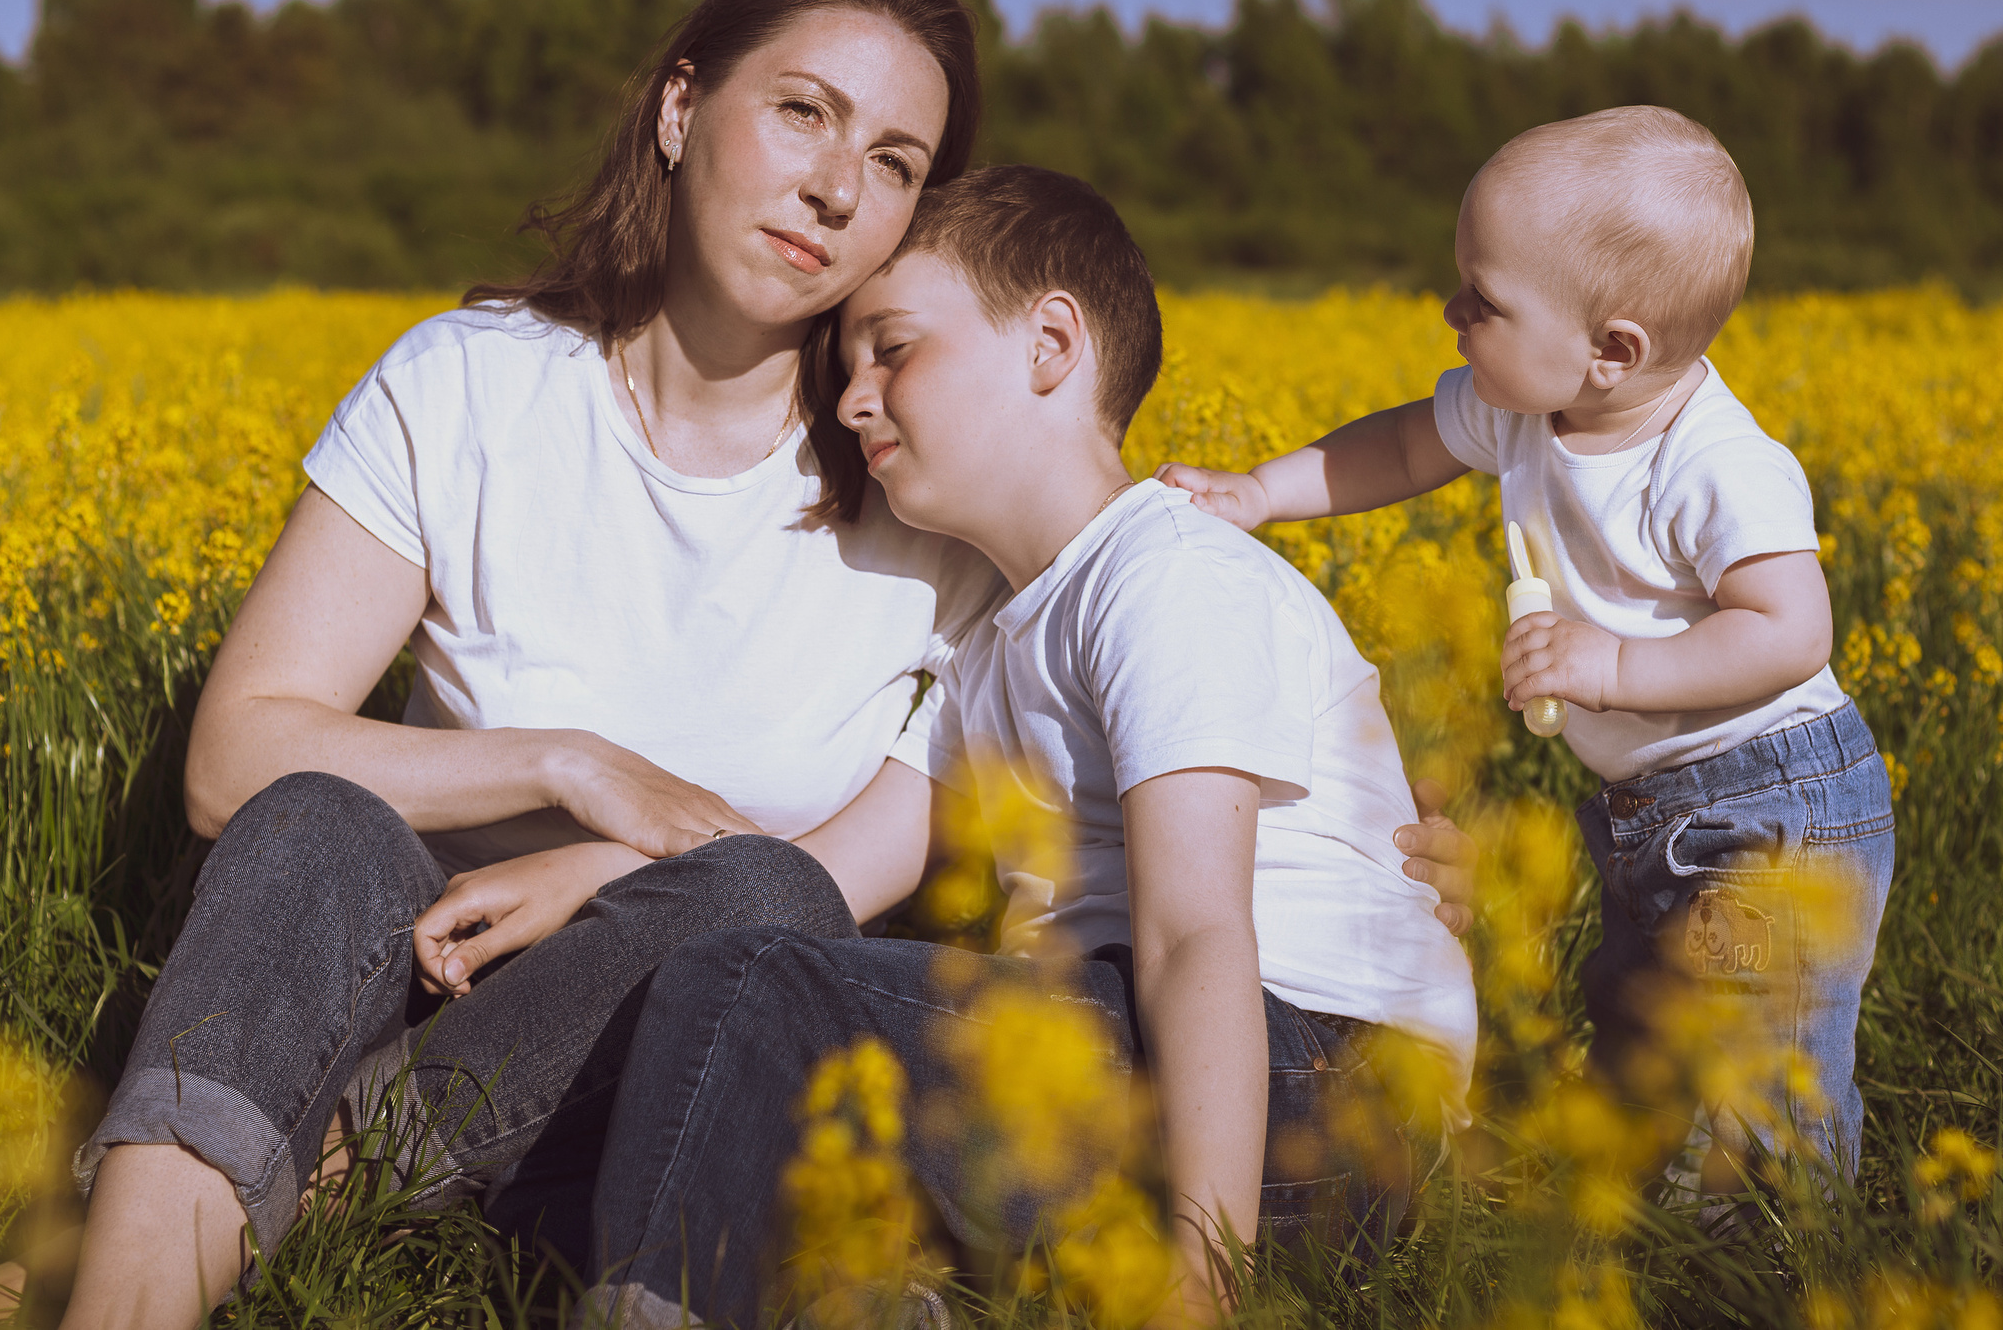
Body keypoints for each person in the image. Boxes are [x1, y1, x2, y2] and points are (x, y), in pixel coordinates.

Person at [0, 0, 1482, 1330]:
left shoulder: (933, 496)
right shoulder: (468, 384)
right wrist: (573, 769)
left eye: (893, 157)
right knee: (316, 817)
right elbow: (231, 759)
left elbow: (960, 827)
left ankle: (217, 1215)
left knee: (752, 890)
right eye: (801, 109)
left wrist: (1377, 849)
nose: (834, 183)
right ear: (680, 111)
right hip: (408, 982)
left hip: (631, 1066)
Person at [578, 166, 1477, 1330]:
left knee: (749, 988)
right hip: (1154, 1068)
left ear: (1051, 343)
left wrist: (1205, 1280)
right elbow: (814, 877)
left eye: (890, 350)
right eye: (847, 368)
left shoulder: (1167, 575)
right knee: (754, 1024)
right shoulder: (992, 650)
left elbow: (1196, 931)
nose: (852, 403)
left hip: (1311, 1085)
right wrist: (583, 872)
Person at [1159, 106, 1891, 1205]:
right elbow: (1402, 443)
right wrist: (1260, 492)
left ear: (1613, 349)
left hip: (1774, 802)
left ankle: (1781, 1258)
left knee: (1755, 1058)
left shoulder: (1715, 464)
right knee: (1640, 1025)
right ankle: (1638, 1215)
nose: (1449, 310)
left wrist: (1614, 669)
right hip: (1655, 805)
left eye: (1483, 299)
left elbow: (1791, 632)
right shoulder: (1523, 410)